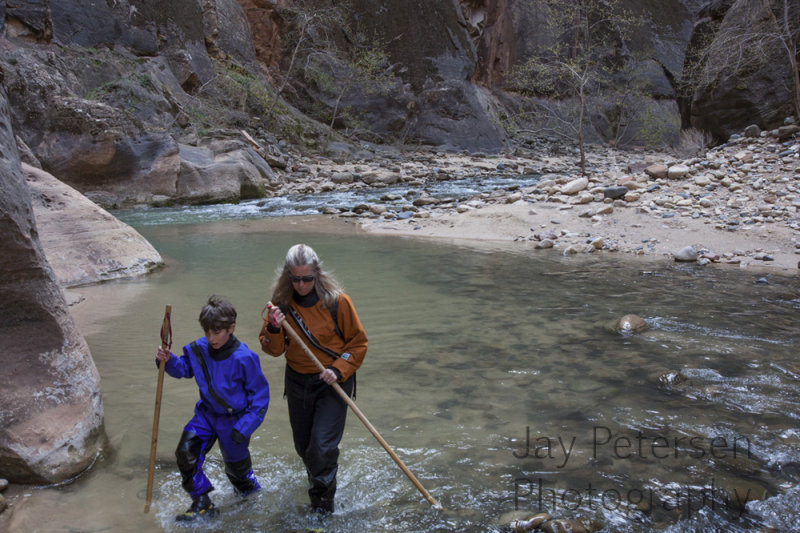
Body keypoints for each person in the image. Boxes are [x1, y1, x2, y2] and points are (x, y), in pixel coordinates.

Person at [259, 243, 368, 514]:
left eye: (307, 278)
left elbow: (358, 344)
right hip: (297, 383)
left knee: (321, 447)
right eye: (294, 279)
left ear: (317, 274)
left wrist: (338, 370)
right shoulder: (281, 303)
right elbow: (273, 350)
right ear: (288, 276)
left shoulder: (337, 301)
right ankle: (322, 480)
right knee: (304, 448)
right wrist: (274, 326)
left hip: (332, 382)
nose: (301, 285)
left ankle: (321, 509)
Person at [155, 295, 269, 522]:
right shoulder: (199, 349)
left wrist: (244, 427)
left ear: (231, 328)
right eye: (207, 332)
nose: (211, 338)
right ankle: (202, 502)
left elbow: (260, 399)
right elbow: (184, 369)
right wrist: (166, 361)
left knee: (238, 474)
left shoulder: (245, 358)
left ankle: (252, 502)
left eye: (217, 332)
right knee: (185, 453)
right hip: (206, 415)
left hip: (234, 421)